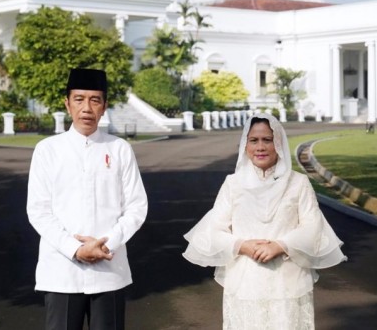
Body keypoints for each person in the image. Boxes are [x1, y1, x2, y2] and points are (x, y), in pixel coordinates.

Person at [183, 113, 346, 329]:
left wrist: (281, 245)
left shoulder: (298, 183)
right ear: (245, 145)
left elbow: (313, 226)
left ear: (278, 143)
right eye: (254, 140)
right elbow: (214, 229)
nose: (260, 147)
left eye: (267, 140)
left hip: (288, 282)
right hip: (245, 282)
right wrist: (243, 246)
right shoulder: (233, 184)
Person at [27, 68, 148, 330]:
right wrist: (75, 249)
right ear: (67, 103)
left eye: (95, 100)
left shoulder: (119, 149)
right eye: (79, 99)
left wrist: (107, 244)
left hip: (109, 269)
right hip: (61, 271)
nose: (87, 108)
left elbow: (137, 207)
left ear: (104, 106)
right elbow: (38, 210)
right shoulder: (48, 150)